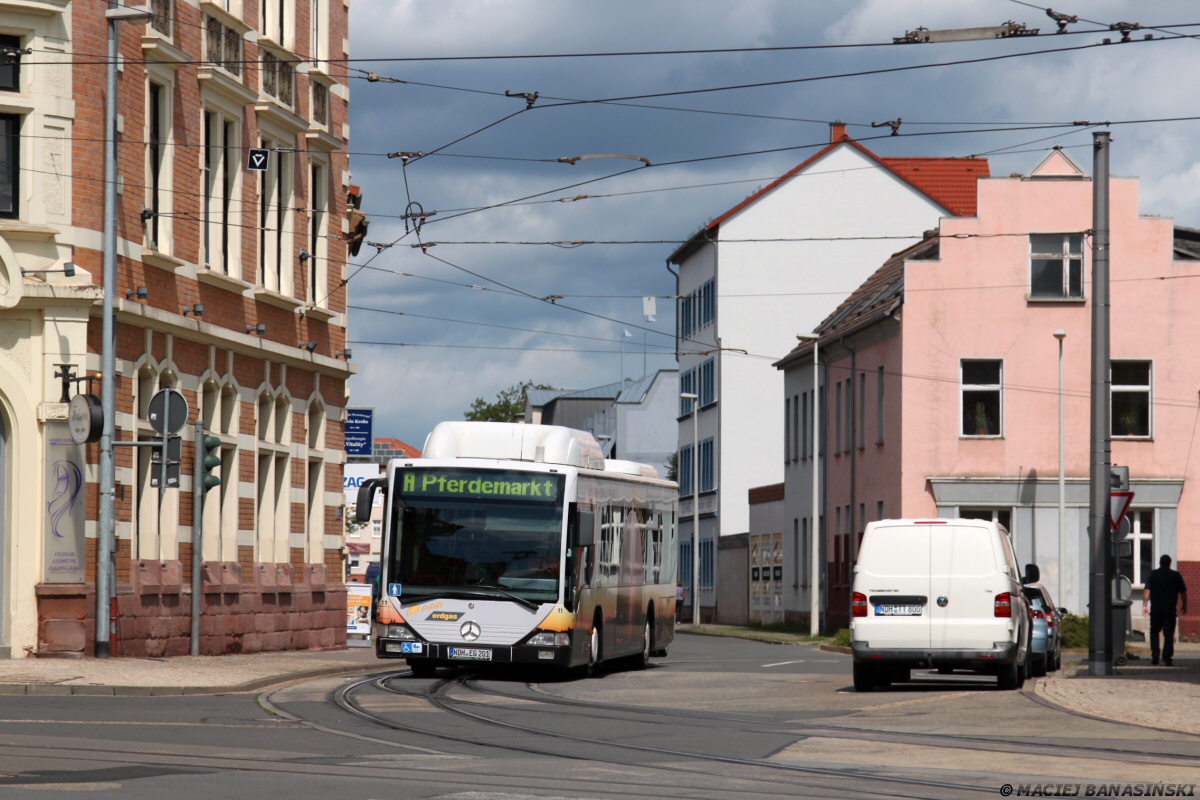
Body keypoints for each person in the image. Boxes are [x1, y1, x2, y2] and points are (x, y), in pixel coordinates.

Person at [1143, 554, 1188, 666]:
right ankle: (1167, 658)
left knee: (1154, 632)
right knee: (1168, 634)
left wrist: (1145, 605)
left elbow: (1147, 591)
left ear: (1160, 563)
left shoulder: (1153, 574)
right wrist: (1184, 605)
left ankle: (1155, 655)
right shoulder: (1175, 575)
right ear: (1169, 563)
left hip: (1156, 609)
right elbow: (1183, 592)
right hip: (1170, 609)